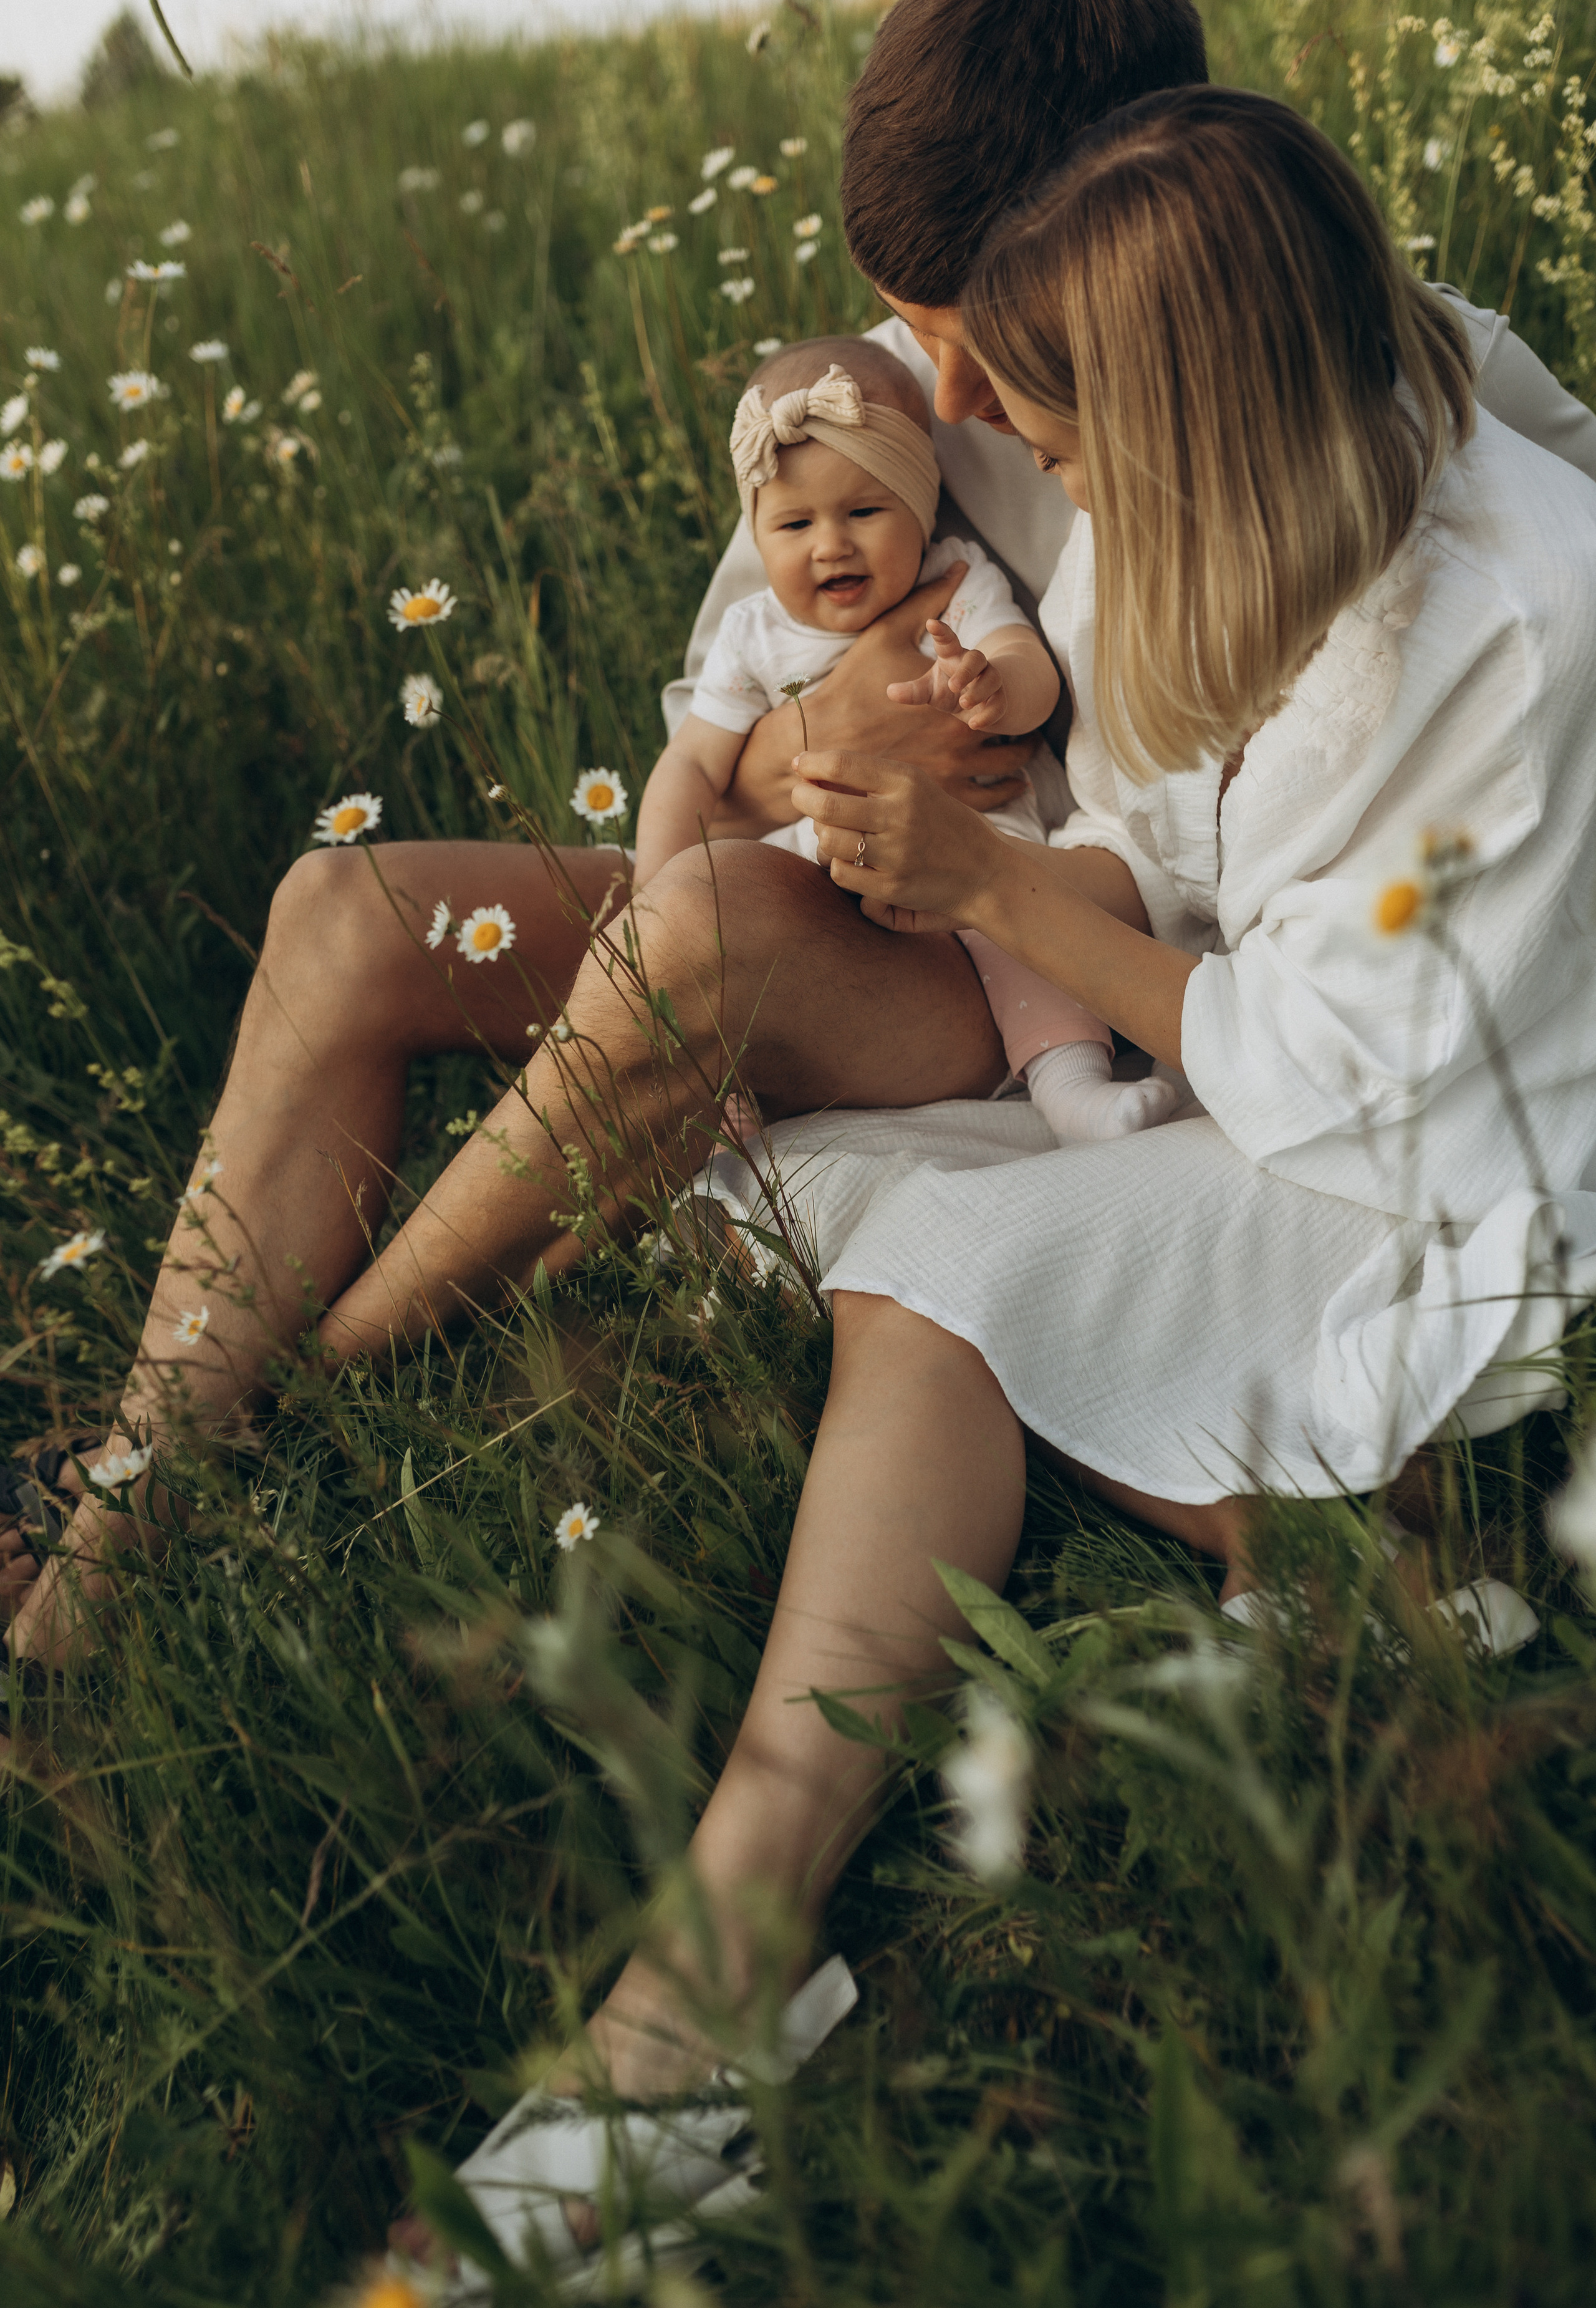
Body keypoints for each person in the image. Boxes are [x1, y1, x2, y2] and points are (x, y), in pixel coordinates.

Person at [376, 81, 1596, 2301]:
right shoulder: (1287, 481)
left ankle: (723, 1969)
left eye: (1058, 423)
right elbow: (1204, 843)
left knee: (937, 1251)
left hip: (1442, 1155)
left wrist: (1008, 899)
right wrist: (995, 871)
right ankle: (1321, 1579)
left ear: (1176, 396)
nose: (1061, 479)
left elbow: (1340, 1055)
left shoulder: (1516, 623)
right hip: (1267, 1054)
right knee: (854, 1200)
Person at [7, 0, 1596, 1641]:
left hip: (1077, 962)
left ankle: (242, 1453)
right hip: (886, 881)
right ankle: (144, 1453)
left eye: (980, 333)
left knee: (694, 938)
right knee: (343, 910)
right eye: (916, 327)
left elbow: (1535, 571)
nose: (953, 388)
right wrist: (802, 752)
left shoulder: (1336, 373)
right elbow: (735, 704)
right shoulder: (895, 391)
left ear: (1134, 217)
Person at [638, 335, 1173, 1141]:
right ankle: (734, 1092)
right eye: (793, 522)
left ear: (921, 508)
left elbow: (1033, 670)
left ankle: (1070, 1083)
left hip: (976, 844)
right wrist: (653, 904)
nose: (830, 544)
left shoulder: (953, 585)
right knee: (750, 950)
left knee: (1015, 926)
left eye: (863, 511)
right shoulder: (752, 636)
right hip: (817, 876)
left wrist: (992, 685)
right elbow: (689, 768)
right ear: (756, 532)